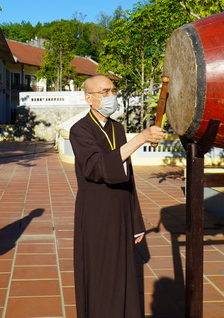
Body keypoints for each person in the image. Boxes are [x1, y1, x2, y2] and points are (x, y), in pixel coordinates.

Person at [69, 75, 164, 318]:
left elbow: (128, 177)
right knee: (100, 271)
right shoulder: (80, 130)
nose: (111, 96)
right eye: (104, 92)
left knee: (123, 270)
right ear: (89, 99)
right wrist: (140, 138)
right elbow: (96, 167)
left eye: (113, 90)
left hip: (121, 209)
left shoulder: (117, 128)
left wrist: (136, 222)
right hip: (97, 212)